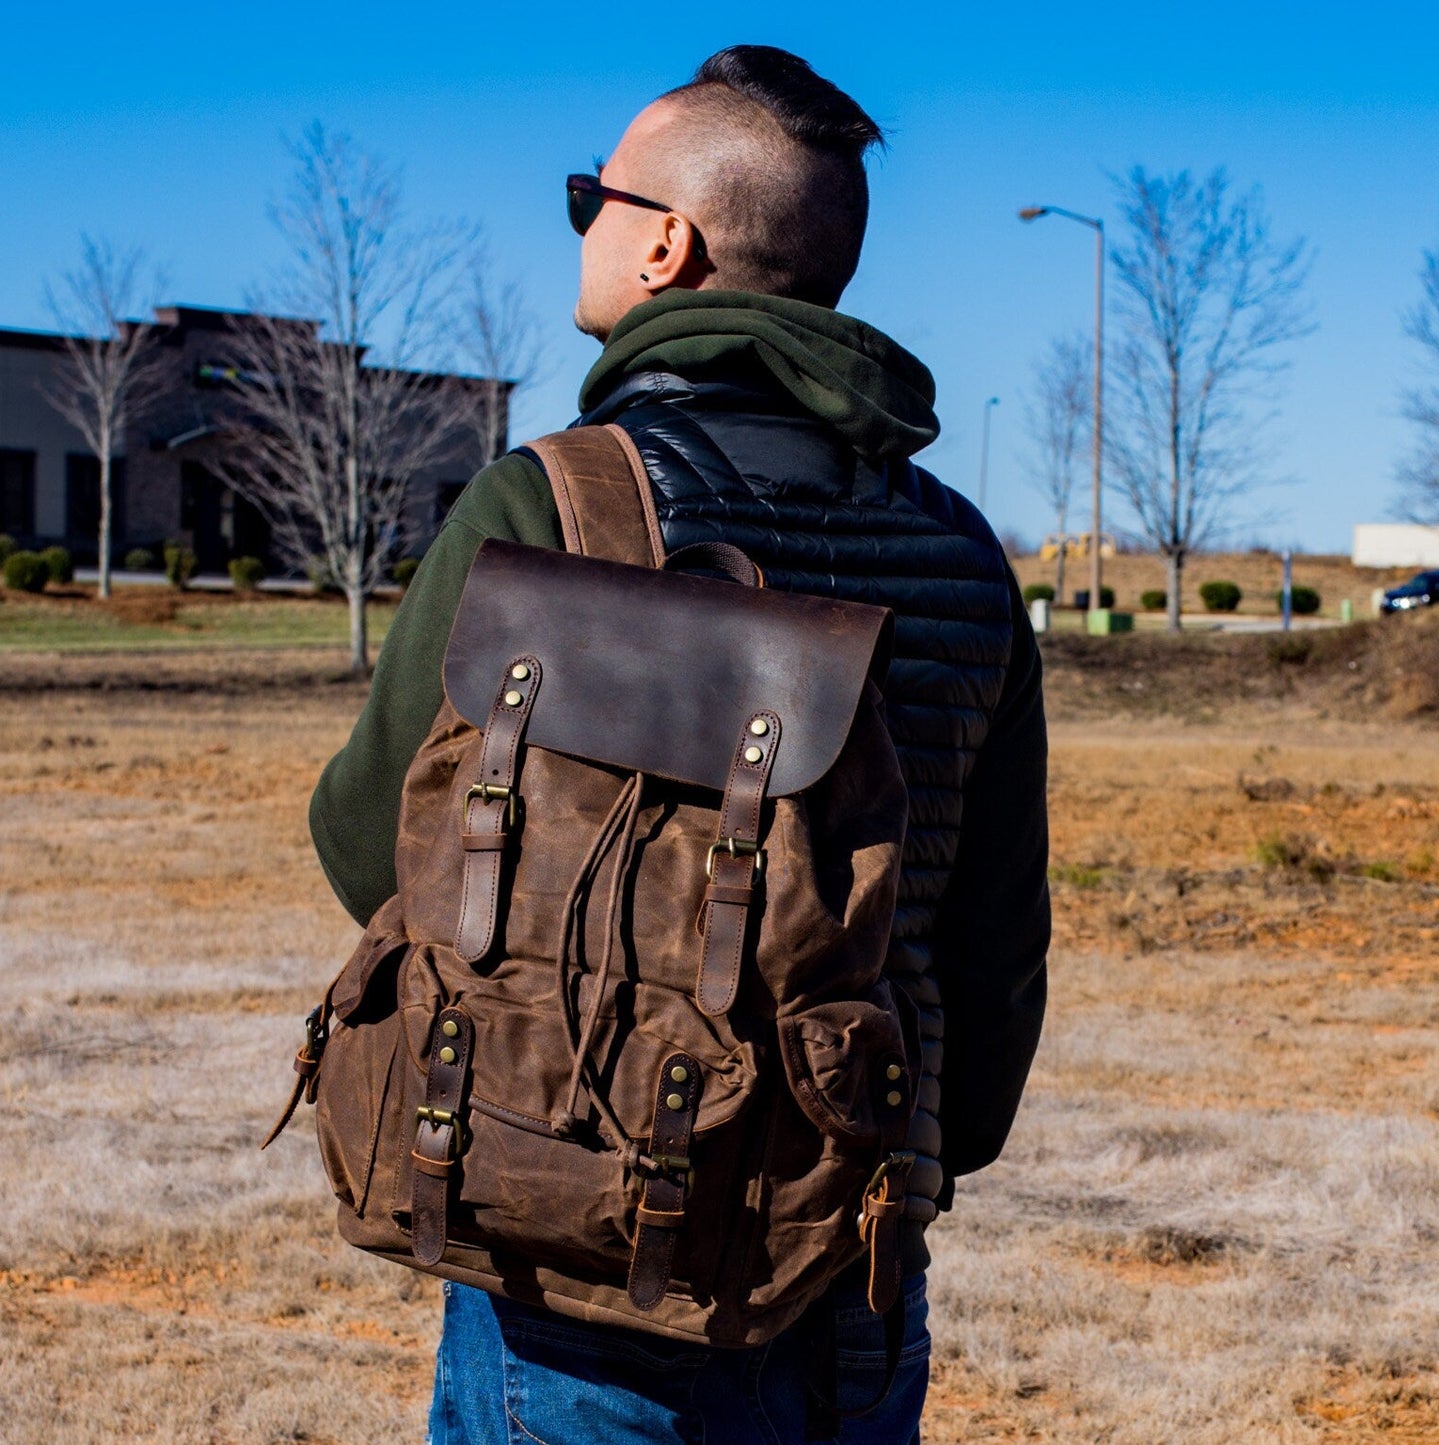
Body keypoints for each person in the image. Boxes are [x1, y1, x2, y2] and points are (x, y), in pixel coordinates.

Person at [309, 44, 1049, 1445]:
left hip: (574, 1244)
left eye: (591, 194)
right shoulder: (960, 548)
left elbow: (370, 844)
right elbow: (993, 930)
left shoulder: (548, 503)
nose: (579, 219)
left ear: (666, 244)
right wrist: (905, 1147)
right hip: (855, 1259)